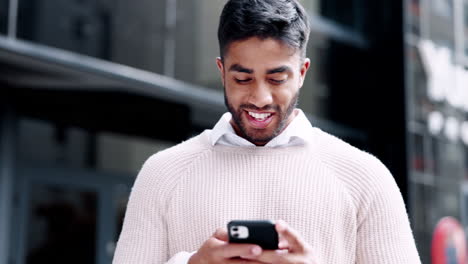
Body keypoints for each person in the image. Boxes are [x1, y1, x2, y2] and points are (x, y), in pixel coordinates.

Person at [113, 0, 421, 263]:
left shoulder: (365, 177)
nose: (260, 98)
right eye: (243, 79)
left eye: (276, 79)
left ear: (301, 73)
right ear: (222, 72)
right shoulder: (162, 174)